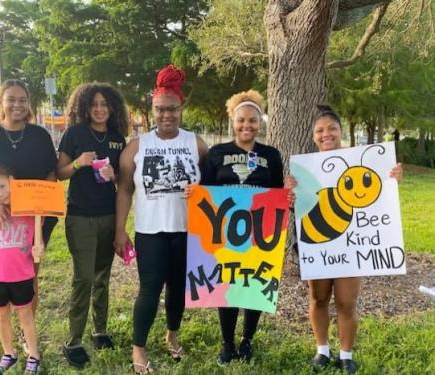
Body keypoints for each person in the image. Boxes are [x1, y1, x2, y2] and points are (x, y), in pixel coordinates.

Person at [285, 105, 403, 374]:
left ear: (340, 132)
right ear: (314, 136)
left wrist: (394, 179)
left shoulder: (364, 165)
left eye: (332, 128)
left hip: (351, 246)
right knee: (318, 298)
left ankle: (346, 355)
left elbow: (380, 195)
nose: (326, 134)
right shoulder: (304, 172)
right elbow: (299, 210)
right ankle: (322, 351)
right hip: (319, 245)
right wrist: (290, 196)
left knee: (347, 302)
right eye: (320, 130)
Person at [114, 65, 208, 374]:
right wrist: (120, 231)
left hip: (186, 231)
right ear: (152, 109)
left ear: (182, 108)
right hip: (150, 231)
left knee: (178, 289)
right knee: (149, 290)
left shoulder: (197, 144)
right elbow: (125, 190)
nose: (166, 115)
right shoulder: (137, 147)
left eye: (172, 109)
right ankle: (138, 347)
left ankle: (172, 334)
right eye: (159, 109)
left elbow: (213, 189)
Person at [0, 79, 58, 373]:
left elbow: (51, 177)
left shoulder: (40, 136)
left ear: (29, 103)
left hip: (33, 222)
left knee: (27, 279)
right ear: (0, 102)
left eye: (22, 99)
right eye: (11, 99)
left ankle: (24, 339)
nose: (17, 105)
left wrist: (43, 215)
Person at [198, 90, 285, 365]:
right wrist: (194, 194)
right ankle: (227, 343)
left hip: (260, 230)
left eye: (252, 121)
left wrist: (288, 195)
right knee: (228, 286)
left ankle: (247, 341)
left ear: (260, 123)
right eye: (241, 121)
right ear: (232, 122)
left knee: (255, 286)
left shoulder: (271, 155)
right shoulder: (216, 153)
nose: (246, 126)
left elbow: (278, 193)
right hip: (225, 230)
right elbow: (206, 191)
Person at [57, 82, 128, 368]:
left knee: (102, 277)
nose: (99, 109)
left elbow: (124, 182)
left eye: (104, 104)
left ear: (112, 108)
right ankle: (73, 341)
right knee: (83, 278)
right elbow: (58, 173)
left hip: (108, 215)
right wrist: (78, 164)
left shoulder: (116, 138)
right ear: (85, 107)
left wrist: (112, 176)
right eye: (94, 104)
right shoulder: (74, 134)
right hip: (80, 216)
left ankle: (100, 331)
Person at [0, 166, 42, 375]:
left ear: (12, 181)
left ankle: (34, 356)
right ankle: (9, 354)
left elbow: (38, 245)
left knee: (26, 316)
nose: (0, 194)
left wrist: (39, 246)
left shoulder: (30, 210)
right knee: (1, 315)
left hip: (21, 275)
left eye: (3, 186)